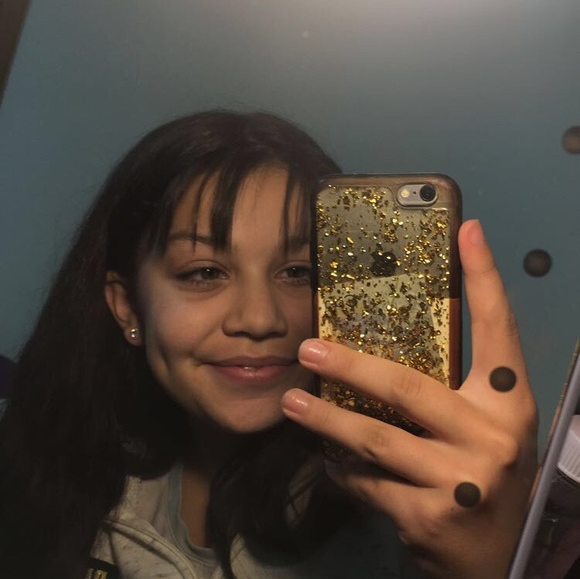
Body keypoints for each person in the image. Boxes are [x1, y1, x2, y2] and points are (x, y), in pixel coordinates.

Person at [0, 110, 538, 579]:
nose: (259, 319)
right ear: (127, 307)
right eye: (205, 272)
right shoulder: (35, 479)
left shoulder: (411, 514)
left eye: (298, 272)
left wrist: (487, 566)